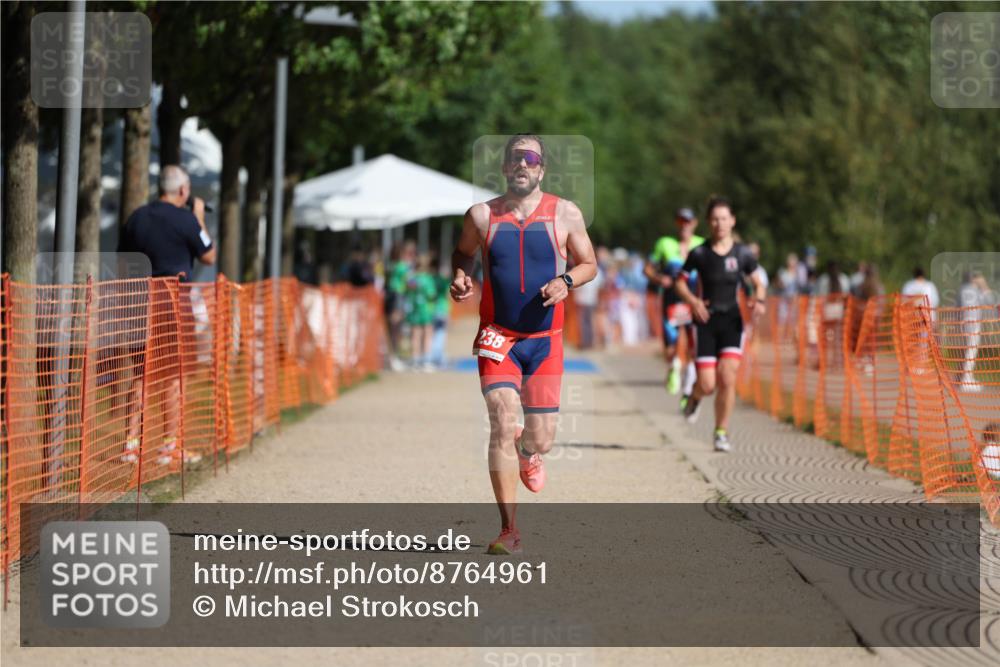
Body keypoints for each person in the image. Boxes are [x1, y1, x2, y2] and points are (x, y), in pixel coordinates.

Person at [451, 134, 597, 554]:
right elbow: (462, 255)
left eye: (530, 158)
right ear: (504, 168)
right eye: (515, 158)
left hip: (545, 341)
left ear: (541, 169)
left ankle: (528, 448)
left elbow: (589, 264)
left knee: (543, 438)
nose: (522, 164)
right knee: (500, 419)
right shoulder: (481, 216)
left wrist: (566, 280)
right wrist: (461, 276)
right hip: (498, 336)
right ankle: (508, 530)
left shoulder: (565, 214)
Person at [117, 165, 216, 466]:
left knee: (140, 374)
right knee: (173, 375)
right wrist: (198, 215)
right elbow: (209, 254)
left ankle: (130, 445)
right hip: (172, 303)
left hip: (138, 300)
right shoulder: (187, 219)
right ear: (183, 191)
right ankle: (169, 445)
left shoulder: (137, 217)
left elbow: (123, 259)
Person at [675, 196, 766, 452]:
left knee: (728, 377)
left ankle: (721, 432)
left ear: (732, 221)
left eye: (724, 218)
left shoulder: (743, 253)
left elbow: (758, 283)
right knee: (707, 384)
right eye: (715, 219)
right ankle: (693, 397)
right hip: (705, 321)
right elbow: (679, 282)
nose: (720, 224)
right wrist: (693, 302)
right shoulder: (700, 253)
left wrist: (758, 300)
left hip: (732, 321)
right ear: (708, 223)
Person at [644, 208, 706, 399]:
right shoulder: (665, 243)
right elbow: (647, 268)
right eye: (680, 221)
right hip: (672, 300)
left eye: (687, 221)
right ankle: (674, 366)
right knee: (670, 345)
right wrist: (659, 278)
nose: (684, 225)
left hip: (693, 301)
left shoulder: (702, 244)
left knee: (691, 340)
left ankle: (688, 374)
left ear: (695, 223)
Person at [958, 271, 994, 392]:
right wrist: (984, 285)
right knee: (971, 352)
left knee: (965, 352)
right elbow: (990, 301)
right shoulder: (975, 290)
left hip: (962, 324)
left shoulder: (962, 289)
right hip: (974, 324)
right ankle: (966, 380)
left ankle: (962, 377)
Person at [405, 253, 437, 371]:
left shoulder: (412, 279)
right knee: (427, 335)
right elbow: (431, 294)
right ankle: (426, 361)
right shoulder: (428, 279)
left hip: (414, 309)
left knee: (415, 335)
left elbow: (407, 291)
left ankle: (415, 361)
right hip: (426, 310)